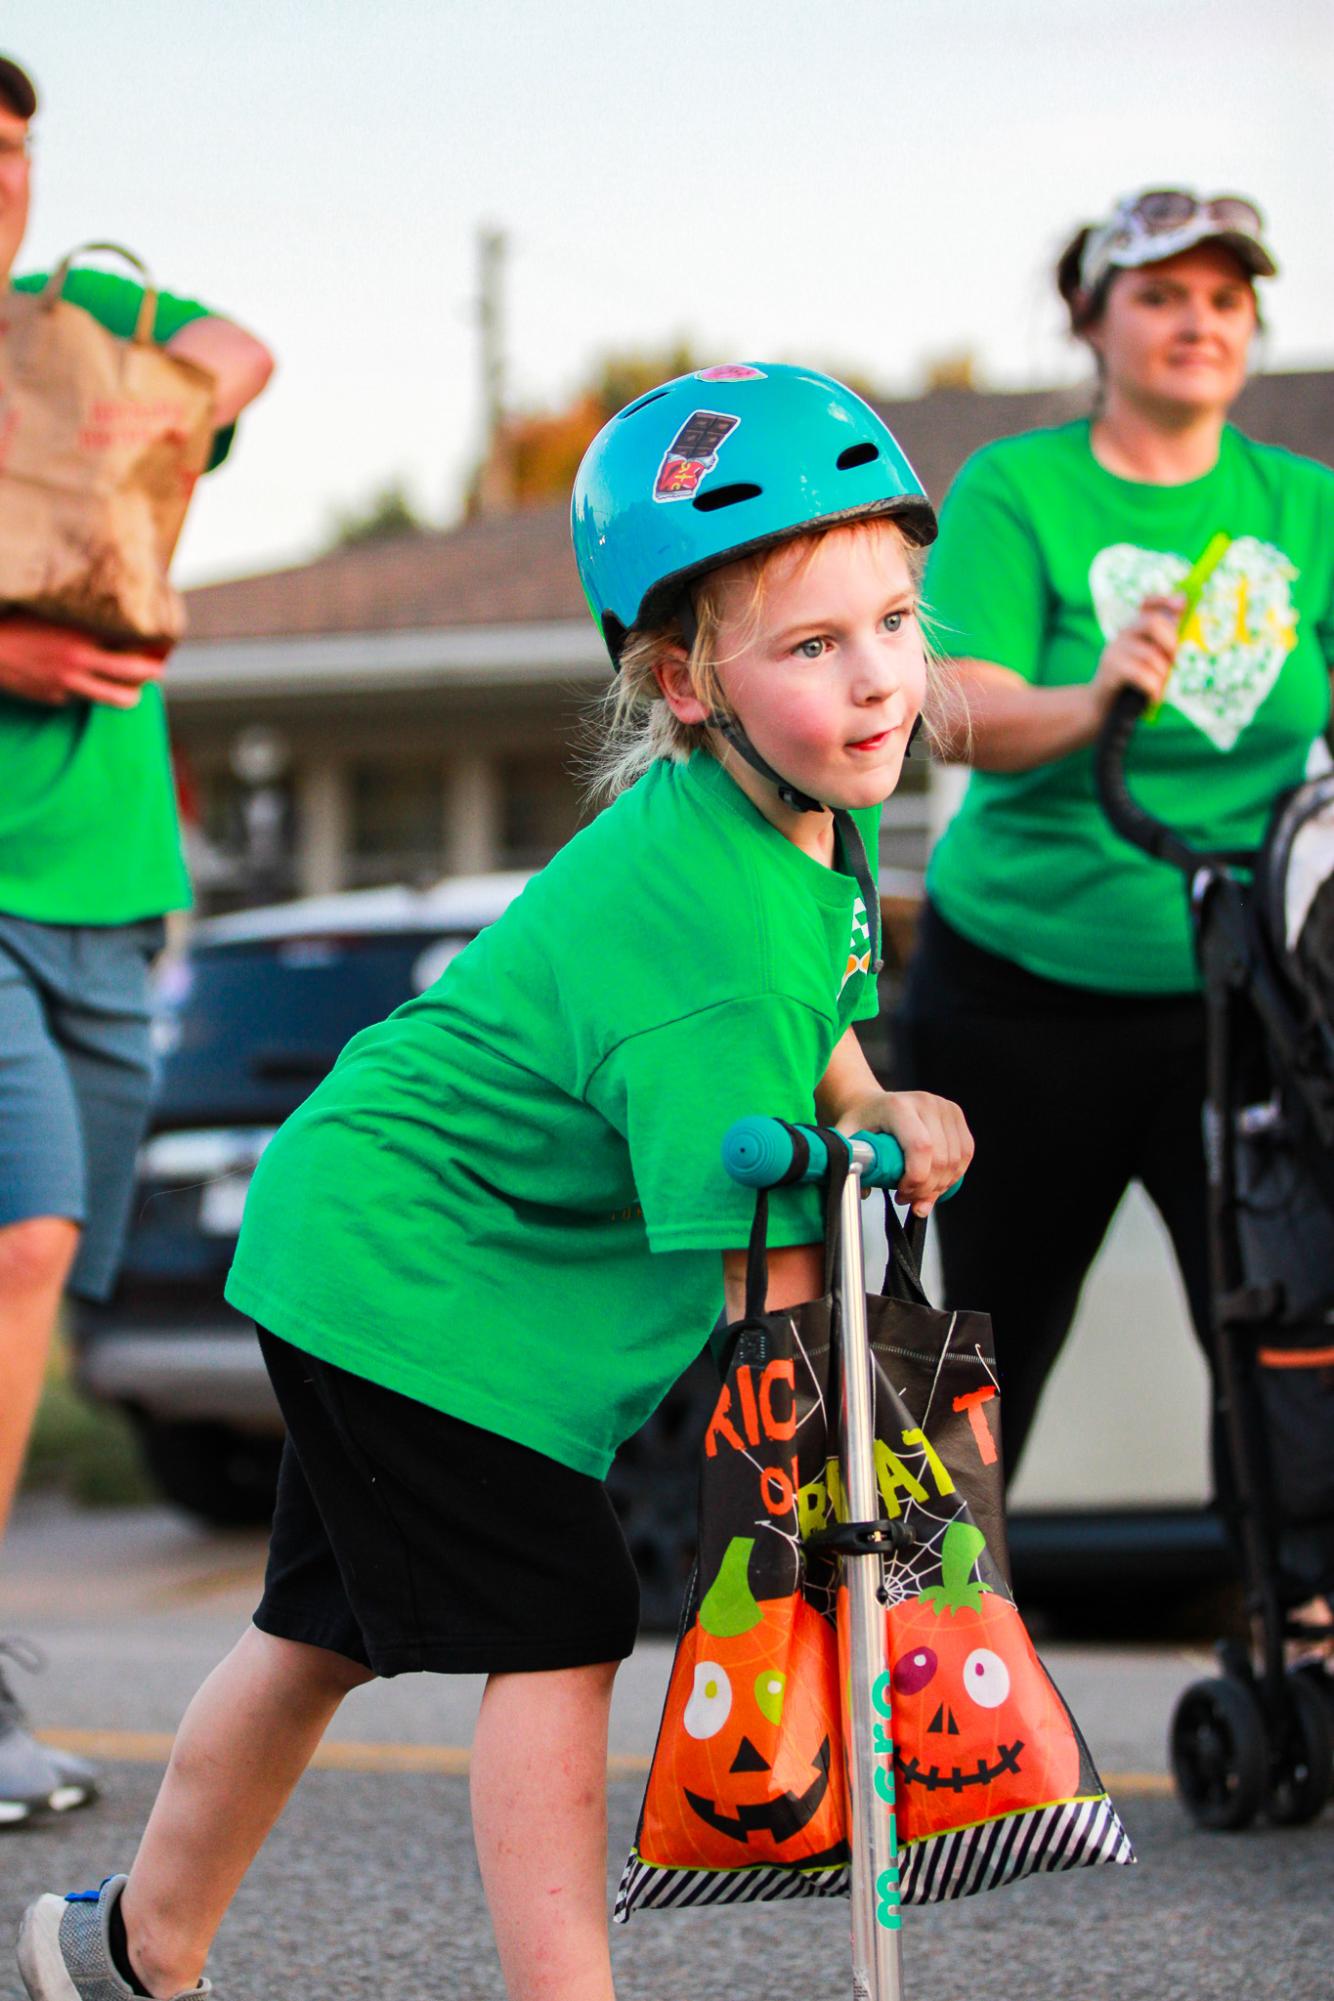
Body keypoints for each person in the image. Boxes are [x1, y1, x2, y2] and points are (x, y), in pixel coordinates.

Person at [16, 362, 971, 2001]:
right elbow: (761, 1272)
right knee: (560, 1614)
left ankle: (123, 1947)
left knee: (322, 1621)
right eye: (812, 645)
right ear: (685, 681)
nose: (877, 677)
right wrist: (898, 1451)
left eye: (892, 619)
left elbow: (822, 1024)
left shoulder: (791, 824)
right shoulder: (708, 927)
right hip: (412, 1262)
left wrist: (881, 1097)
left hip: (373, 1235)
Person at [897, 191, 1334, 1567]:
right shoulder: (1018, 489)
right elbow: (949, 707)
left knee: (1280, 1329)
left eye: (1222, 297)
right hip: (1020, 990)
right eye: (1158, 294)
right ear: (1091, 321)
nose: (1194, 321)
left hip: (1236, 993)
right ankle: (933, 1655)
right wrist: (1093, 696)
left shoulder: (1303, 505)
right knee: (982, 1344)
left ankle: (1296, 1640)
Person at [0, 51, 274, 1827]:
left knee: (45, 1282)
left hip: (111, 896)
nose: (2, 180)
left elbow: (240, 360)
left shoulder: (75, 332)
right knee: (20, 1239)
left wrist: (103, 316)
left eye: (13, 151)